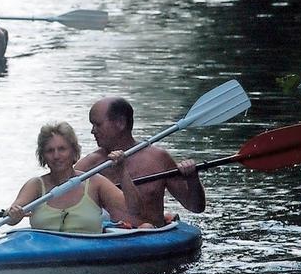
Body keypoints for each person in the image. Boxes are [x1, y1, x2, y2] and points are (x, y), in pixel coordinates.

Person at [74, 96, 205, 227]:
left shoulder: (158, 159)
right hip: (107, 240)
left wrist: (192, 179)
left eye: (98, 124)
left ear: (120, 123)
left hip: (151, 239)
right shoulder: (88, 165)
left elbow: (195, 207)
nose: (92, 131)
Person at [7, 121, 142, 233]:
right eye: (50, 151)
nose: (56, 156)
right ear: (43, 156)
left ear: (73, 151)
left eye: (62, 149)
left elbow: (134, 210)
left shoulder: (95, 182)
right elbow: (11, 218)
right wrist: (13, 214)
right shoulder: (35, 185)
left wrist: (122, 171)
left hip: (88, 254)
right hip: (46, 257)